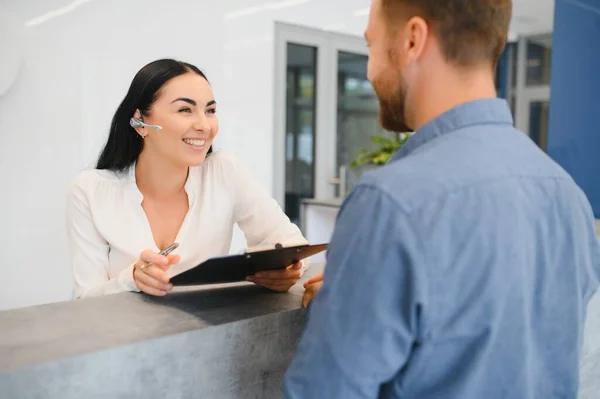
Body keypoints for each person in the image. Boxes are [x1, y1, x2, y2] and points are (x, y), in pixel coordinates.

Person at [284, 0, 600, 398]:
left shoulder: (392, 203)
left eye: (371, 46)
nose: (369, 71)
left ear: (412, 39)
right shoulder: (567, 195)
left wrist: (337, 312)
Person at [66, 59, 308, 299]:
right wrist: (130, 280)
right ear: (140, 122)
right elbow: (85, 300)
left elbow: (290, 241)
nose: (204, 125)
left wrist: (287, 269)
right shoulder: (89, 190)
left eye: (210, 111)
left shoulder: (225, 171)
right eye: (185, 110)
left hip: (207, 333)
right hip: (125, 337)